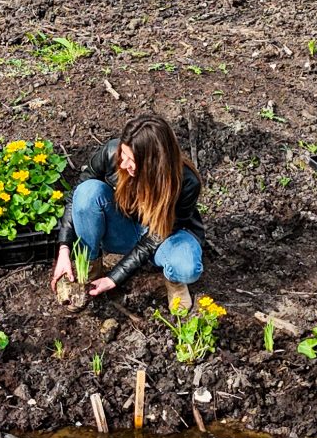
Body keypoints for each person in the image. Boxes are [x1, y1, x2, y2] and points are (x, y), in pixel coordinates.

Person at [50, 113, 204, 311]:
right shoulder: (111, 153)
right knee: (88, 191)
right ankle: (90, 266)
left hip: (165, 240)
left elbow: (156, 237)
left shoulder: (186, 183)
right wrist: (64, 249)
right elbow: (76, 197)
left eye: (131, 160)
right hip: (125, 229)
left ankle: (173, 281)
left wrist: (114, 278)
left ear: (154, 163)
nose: (123, 164)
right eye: (124, 155)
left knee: (187, 267)